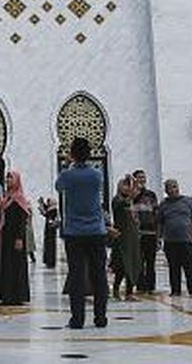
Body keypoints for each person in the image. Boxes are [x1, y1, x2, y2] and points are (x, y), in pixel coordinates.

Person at [56, 137, 108, 329]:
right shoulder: (96, 175)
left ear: (72, 154)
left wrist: (69, 165)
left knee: (77, 276)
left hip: (74, 232)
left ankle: (77, 319)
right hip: (96, 230)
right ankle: (100, 317)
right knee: (99, 275)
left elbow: (58, 187)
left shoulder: (67, 175)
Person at [158, 179, 192, 296]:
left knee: (190, 266)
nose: (172, 190)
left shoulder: (187, 202)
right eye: (169, 188)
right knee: (173, 267)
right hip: (170, 241)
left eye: (174, 187)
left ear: (178, 188)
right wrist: (159, 237)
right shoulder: (163, 205)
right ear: (166, 190)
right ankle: (175, 290)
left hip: (187, 240)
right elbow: (160, 223)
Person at [0, 171, 30, 305]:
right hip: (6, 235)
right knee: (7, 264)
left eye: (10, 178)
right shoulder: (7, 197)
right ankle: (7, 295)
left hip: (16, 236)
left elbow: (21, 221)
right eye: (7, 178)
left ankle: (17, 295)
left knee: (16, 264)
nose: (8, 180)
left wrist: (19, 238)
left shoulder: (19, 198)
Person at [110, 176, 141, 300]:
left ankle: (129, 292)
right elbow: (125, 202)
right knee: (122, 265)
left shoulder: (131, 202)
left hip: (132, 237)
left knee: (133, 263)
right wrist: (133, 187)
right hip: (122, 237)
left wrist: (134, 183)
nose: (127, 188)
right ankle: (116, 289)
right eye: (125, 185)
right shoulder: (117, 200)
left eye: (128, 185)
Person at [132, 169, 159, 294]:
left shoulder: (151, 195)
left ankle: (151, 285)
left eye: (143, 177)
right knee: (139, 260)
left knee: (150, 261)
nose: (142, 180)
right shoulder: (132, 195)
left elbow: (156, 213)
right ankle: (140, 285)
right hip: (137, 233)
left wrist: (158, 234)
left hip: (151, 232)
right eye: (139, 177)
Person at [39, 197, 59, 269]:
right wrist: (42, 203)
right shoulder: (52, 209)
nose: (48, 203)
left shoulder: (53, 210)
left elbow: (46, 213)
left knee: (50, 246)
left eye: (48, 202)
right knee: (49, 246)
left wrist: (41, 205)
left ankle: (50, 261)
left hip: (50, 231)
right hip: (50, 231)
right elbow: (46, 211)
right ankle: (49, 261)